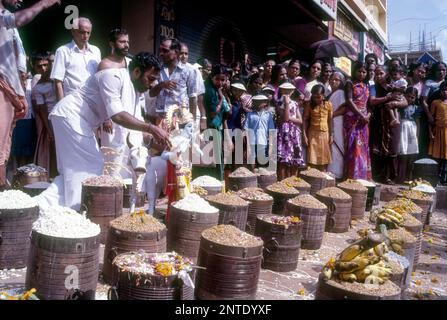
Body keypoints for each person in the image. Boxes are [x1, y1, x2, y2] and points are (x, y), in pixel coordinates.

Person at [35, 52, 170, 211]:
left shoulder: (134, 90)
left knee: (71, 173)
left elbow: (133, 120)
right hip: (70, 117)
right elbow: (118, 116)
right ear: (137, 72)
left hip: (76, 121)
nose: (152, 84)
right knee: (89, 168)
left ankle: (39, 205)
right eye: (151, 78)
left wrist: (149, 136)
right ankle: (75, 211)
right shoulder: (112, 77)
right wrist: (151, 128)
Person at [1, 0, 61, 190]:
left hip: (10, 89)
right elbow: (18, 20)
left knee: (3, 144)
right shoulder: (6, 19)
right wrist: (42, 4)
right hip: (3, 88)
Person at [51, 17, 102, 101]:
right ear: (73, 31)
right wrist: (61, 105)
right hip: (73, 102)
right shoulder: (63, 51)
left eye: (88, 33)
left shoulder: (96, 51)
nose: (85, 36)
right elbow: (58, 82)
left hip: (95, 101)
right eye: (82, 32)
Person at [150, 38, 198, 120]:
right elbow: (151, 93)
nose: (161, 53)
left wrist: (192, 122)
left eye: (165, 51)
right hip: (160, 118)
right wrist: (162, 85)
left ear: (176, 52)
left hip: (179, 119)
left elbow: (192, 98)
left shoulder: (189, 70)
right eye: (160, 50)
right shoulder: (158, 69)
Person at [31, 52, 58, 177]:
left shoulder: (57, 81)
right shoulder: (37, 88)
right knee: (53, 151)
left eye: (46, 65)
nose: (43, 69)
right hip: (51, 120)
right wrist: (50, 131)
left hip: (65, 117)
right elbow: (42, 111)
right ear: (35, 67)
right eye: (39, 66)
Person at [344, 62, 371, 180]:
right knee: (353, 147)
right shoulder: (350, 84)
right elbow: (349, 101)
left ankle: (362, 176)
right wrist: (361, 115)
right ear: (354, 71)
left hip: (364, 121)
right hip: (352, 119)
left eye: (364, 72)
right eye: (359, 71)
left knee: (363, 147)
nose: (361, 74)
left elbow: (369, 104)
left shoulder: (366, 86)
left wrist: (368, 116)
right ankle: (352, 176)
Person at [277, 82, 304, 180]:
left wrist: (289, 118)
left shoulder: (295, 103)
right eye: (285, 91)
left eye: (289, 91)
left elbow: (300, 120)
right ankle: (282, 181)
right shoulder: (279, 103)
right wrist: (287, 104)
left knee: (295, 158)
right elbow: (285, 118)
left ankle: (293, 180)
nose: (287, 93)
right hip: (284, 133)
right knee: (284, 159)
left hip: (294, 132)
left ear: (292, 92)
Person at [303, 84, 333, 172]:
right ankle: (312, 179)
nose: (316, 99)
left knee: (323, 160)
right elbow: (305, 121)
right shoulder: (309, 105)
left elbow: (330, 121)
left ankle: (322, 181)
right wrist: (304, 136)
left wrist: (332, 135)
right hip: (312, 135)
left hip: (325, 135)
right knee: (312, 160)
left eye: (319, 97)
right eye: (314, 97)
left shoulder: (329, 105)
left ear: (323, 96)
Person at [179, 43, 207, 130]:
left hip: (190, 114)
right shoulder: (171, 69)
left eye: (186, 54)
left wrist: (203, 117)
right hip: (176, 115)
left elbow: (199, 96)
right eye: (181, 53)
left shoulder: (193, 70)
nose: (183, 56)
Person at [244, 94, 275, 171]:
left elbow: (271, 131)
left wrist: (271, 146)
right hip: (252, 142)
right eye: (256, 102)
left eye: (259, 102)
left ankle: (261, 179)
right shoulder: (250, 115)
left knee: (262, 163)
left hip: (263, 141)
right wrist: (247, 146)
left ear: (265, 103)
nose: (257, 103)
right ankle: (253, 177)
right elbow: (246, 130)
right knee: (252, 161)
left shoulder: (268, 115)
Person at [397, 87, 421, 183]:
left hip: (412, 129)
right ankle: (400, 176)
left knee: (411, 153)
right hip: (402, 128)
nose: (410, 99)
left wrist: (417, 136)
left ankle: (408, 177)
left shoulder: (416, 108)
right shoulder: (401, 106)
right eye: (408, 96)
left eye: (412, 97)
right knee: (402, 152)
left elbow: (417, 122)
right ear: (404, 95)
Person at [327, 71, 346, 179]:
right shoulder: (329, 93)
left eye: (337, 80)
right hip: (332, 121)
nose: (333, 81)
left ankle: (337, 172)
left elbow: (343, 108)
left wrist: (331, 115)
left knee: (337, 145)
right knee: (332, 145)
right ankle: (332, 170)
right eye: (332, 79)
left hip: (338, 122)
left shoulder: (340, 93)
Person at [429, 83, 447, 185]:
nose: (445, 92)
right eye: (443, 90)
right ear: (440, 91)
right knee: (438, 156)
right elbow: (430, 120)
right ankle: (436, 179)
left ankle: (444, 179)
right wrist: (430, 132)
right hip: (438, 131)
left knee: (446, 156)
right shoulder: (435, 102)